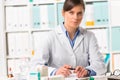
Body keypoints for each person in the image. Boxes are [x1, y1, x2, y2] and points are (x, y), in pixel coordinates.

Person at [30, 0, 107, 78]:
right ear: (63, 13)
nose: (75, 17)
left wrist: (87, 71)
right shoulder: (50, 37)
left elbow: (100, 65)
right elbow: (34, 66)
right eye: (71, 12)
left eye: (79, 13)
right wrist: (55, 71)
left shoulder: (89, 36)